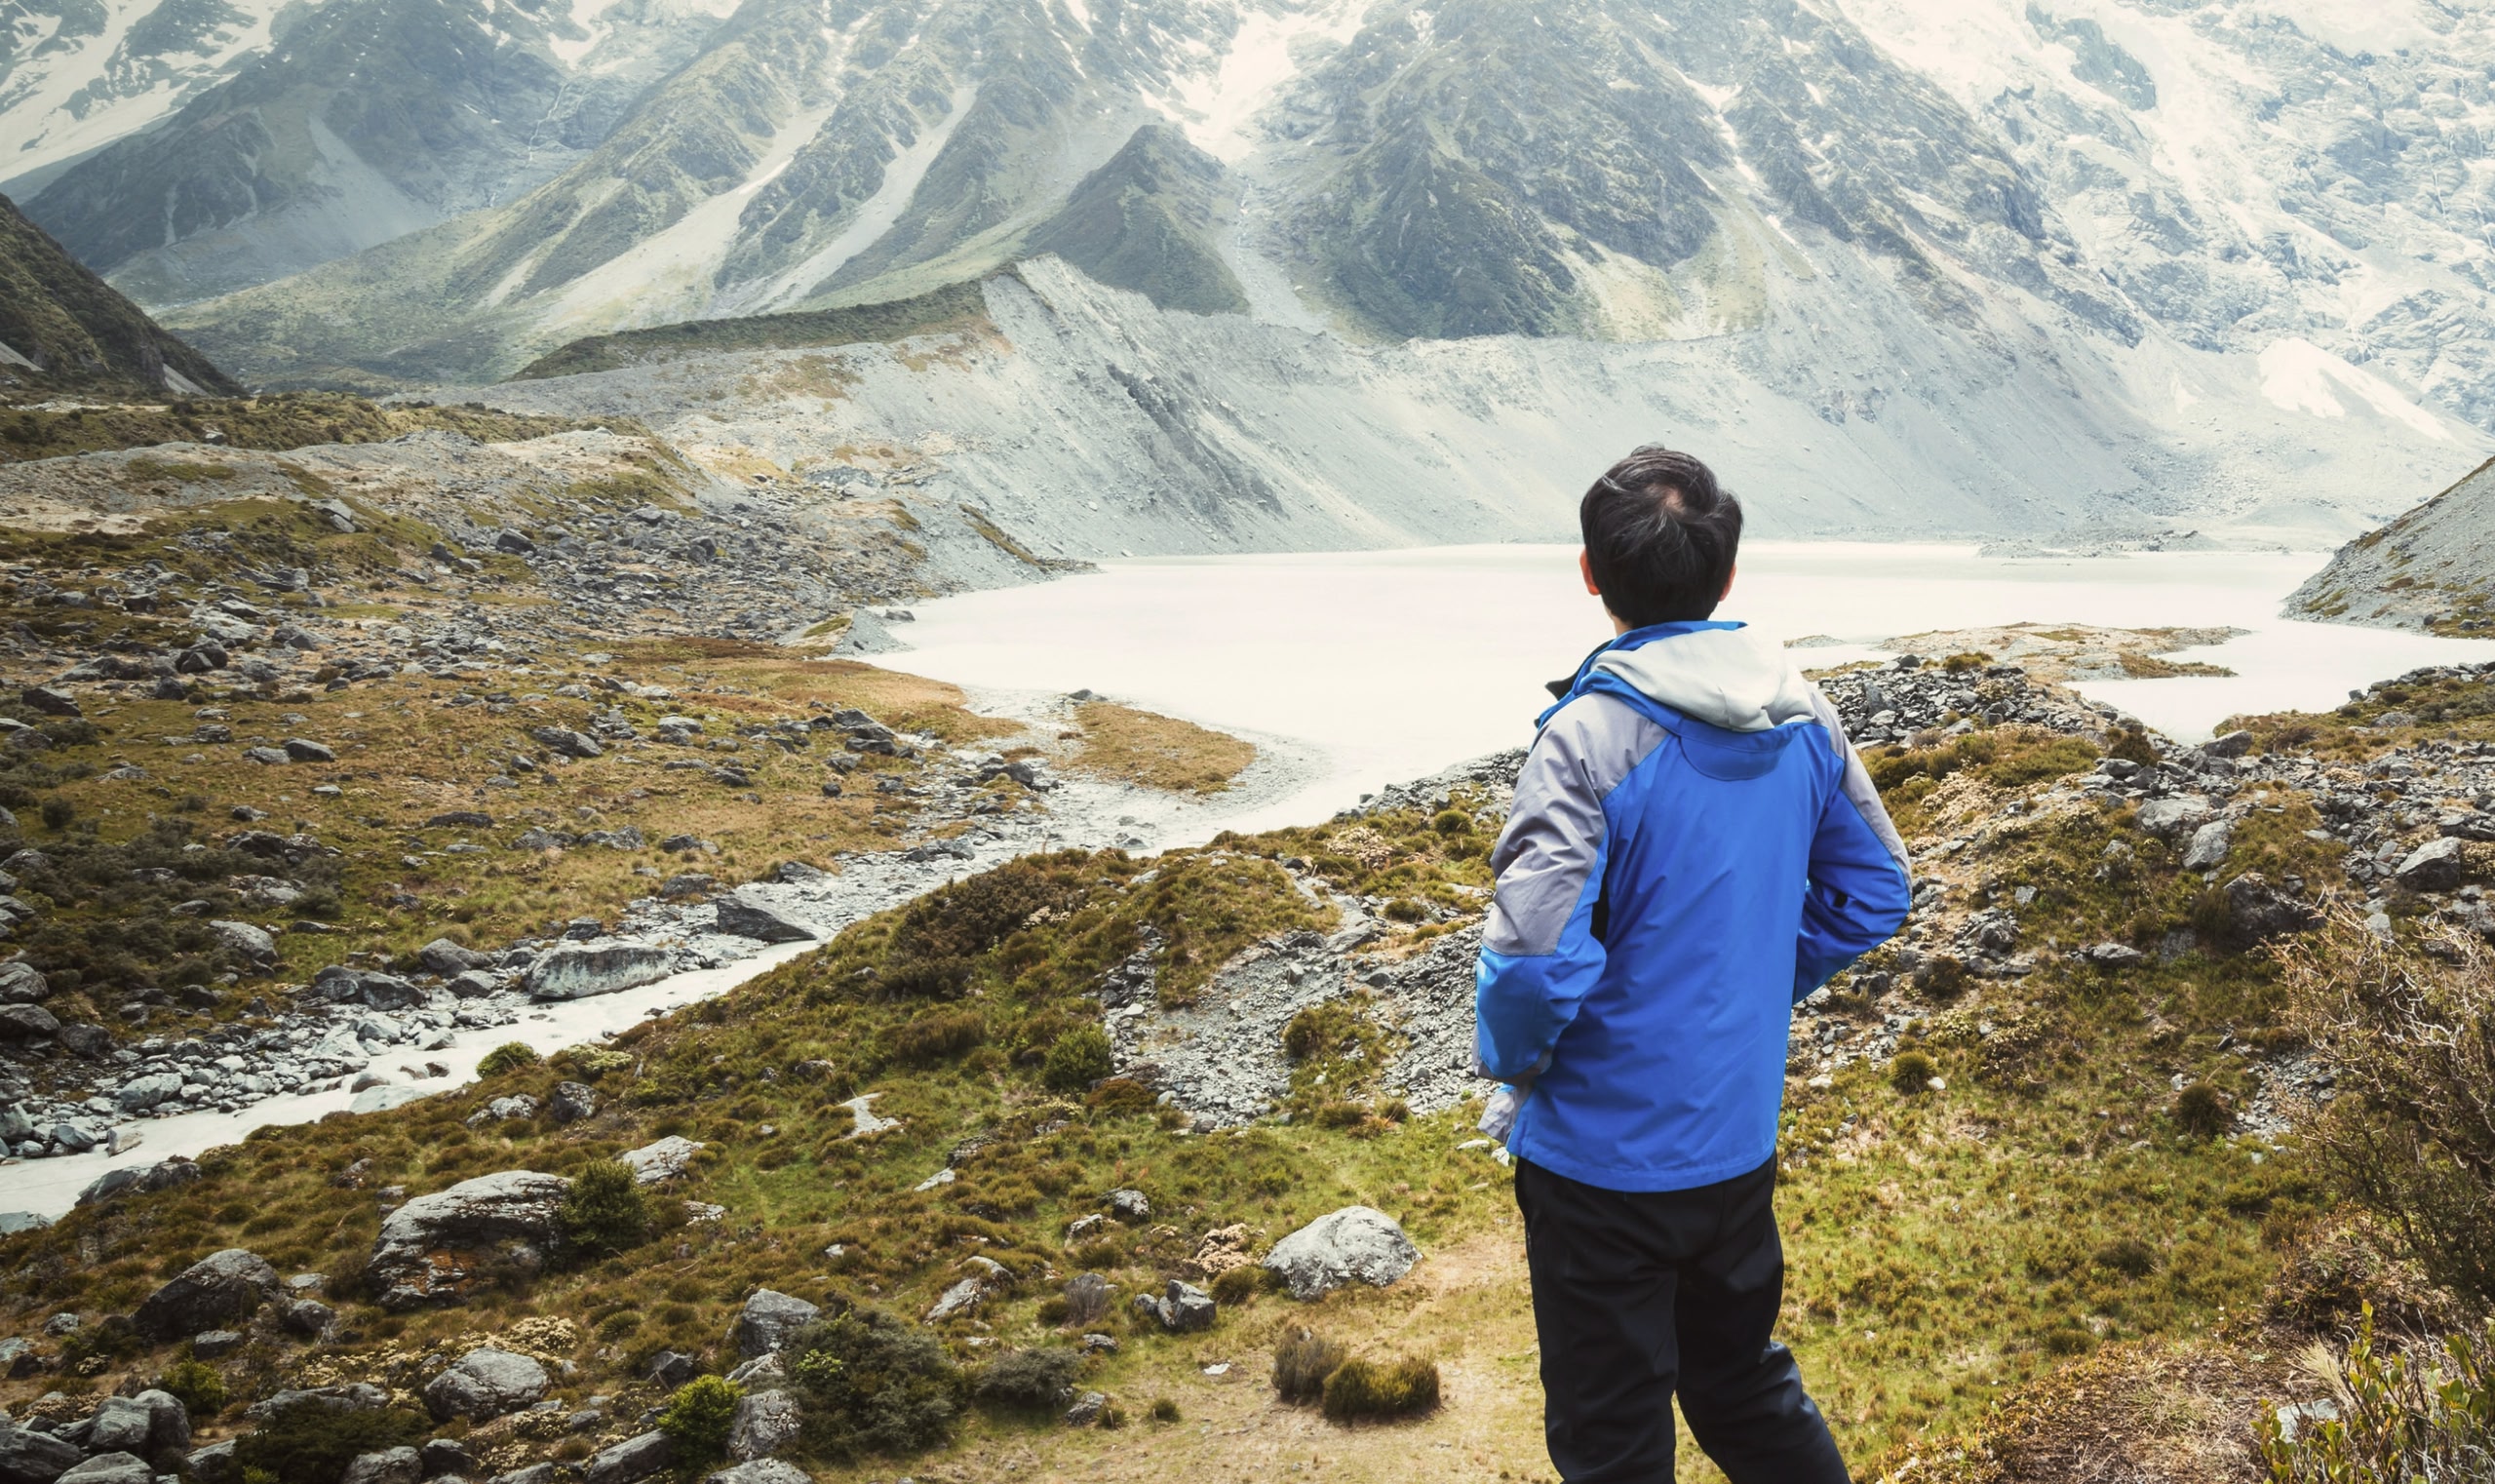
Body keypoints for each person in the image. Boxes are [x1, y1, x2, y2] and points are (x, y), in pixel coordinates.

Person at [1474, 447, 1912, 1483]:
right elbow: (1876, 891)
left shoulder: (1587, 737)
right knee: (1742, 1386)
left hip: (1598, 1163)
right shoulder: (1802, 715)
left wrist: (1515, 1068)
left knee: (1612, 1432)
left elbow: (1534, 964)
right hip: (1733, 1143)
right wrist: (1755, 982)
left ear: (1591, 573)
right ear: (1725, 574)